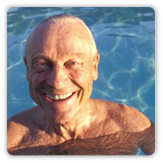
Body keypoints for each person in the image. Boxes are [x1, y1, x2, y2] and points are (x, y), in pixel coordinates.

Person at [7, 15, 155, 156]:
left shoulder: (132, 126)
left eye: (74, 63)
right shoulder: (10, 142)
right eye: (41, 64)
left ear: (94, 67)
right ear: (27, 68)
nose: (57, 81)